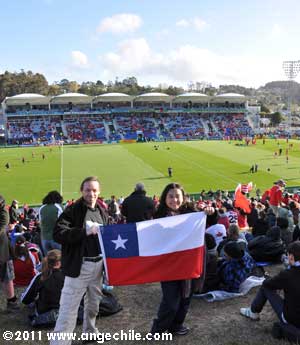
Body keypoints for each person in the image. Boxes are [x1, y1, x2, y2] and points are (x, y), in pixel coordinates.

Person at [50, 176, 108, 345]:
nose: (91, 193)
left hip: (98, 264)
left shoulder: (101, 210)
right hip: (79, 266)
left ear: (99, 191)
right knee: (68, 308)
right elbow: (58, 233)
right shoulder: (72, 210)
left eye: (94, 190)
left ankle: (90, 332)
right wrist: (83, 231)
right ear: (82, 191)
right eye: (88, 190)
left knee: (93, 305)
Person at [150, 182, 214, 336]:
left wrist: (211, 212)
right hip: (169, 266)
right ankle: (158, 329)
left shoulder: (193, 213)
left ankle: (176, 326)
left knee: (186, 297)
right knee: (171, 301)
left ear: (183, 198)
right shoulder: (158, 217)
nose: (174, 200)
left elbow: (210, 222)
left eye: (177, 196)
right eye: (170, 196)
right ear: (165, 198)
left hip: (190, 263)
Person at [240, 241, 300, 342]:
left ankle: (253, 311)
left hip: (292, 319)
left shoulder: (287, 274)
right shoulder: (287, 274)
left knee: (265, 287)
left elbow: (268, 284)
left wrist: (270, 278)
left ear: (291, 257)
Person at [21, 249, 65, 327]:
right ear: (59, 262)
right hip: (66, 310)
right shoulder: (68, 276)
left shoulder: (40, 277)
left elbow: (25, 299)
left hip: (44, 312)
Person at [0, 195, 18, 311]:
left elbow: (1, 228)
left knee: (7, 276)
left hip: (2, 251)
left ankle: (11, 301)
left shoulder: (4, 213)